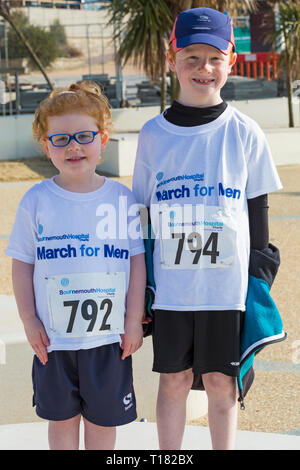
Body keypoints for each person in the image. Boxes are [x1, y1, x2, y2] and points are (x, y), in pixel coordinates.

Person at [132, 8, 283, 450]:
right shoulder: (153, 134)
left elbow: (259, 215)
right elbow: (142, 217)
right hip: (175, 289)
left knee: (221, 382)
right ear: (171, 58)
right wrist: (141, 289)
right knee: (174, 380)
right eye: (192, 56)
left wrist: (258, 278)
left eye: (214, 57)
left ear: (231, 60)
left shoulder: (245, 132)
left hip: (225, 289)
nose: (203, 68)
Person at [6, 81, 146, 450]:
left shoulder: (122, 198)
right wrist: (29, 320)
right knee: (62, 421)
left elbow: (136, 263)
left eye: (84, 136)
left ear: (102, 140)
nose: (73, 146)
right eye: (61, 139)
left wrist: (133, 319)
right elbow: (21, 264)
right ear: (45, 146)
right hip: (53, 341)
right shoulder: (36, 200)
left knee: (103, 423)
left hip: (107, 339)